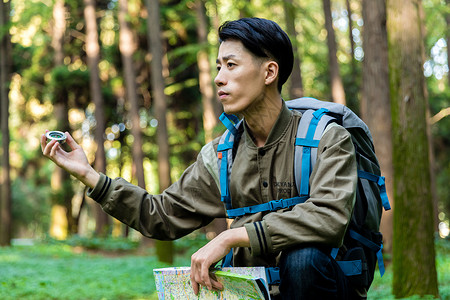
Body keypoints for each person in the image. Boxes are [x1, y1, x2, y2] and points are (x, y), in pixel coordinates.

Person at [42, 17, 357, 299]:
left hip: (324, 287)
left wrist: (231, 237)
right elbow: (161, 215)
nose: (219, 78)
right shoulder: (222, 155)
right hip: (252, 292)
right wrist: (90, 176)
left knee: (304, 259)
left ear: (269, 72)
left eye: (231, 65)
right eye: (219, 67)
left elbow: (329, 218)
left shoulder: (325, 138)